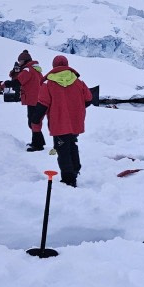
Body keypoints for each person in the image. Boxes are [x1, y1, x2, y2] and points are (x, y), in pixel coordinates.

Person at [36, 54, 91, 187]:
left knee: (63, 151)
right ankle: (75, 169)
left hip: (59, 124)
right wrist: (76, 108)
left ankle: (68, 179)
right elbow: (89, 99)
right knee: (72, 145)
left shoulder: (48, 84)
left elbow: (43, 104)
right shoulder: (79, 82)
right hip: (75, 122)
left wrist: (35, 118)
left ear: (54, 66)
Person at [9, 50, 45, 152]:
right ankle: (38, 143)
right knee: (34, 122)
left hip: (33, 99)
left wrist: (4, 84)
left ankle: (38, 145)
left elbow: (17, 82)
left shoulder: (28, 70)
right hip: (37, 99)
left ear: (25, 60)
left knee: (33, 122)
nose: (19, 63)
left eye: (20, 61)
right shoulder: (35, 69)